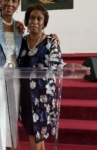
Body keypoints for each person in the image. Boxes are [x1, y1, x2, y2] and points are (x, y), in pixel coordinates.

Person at [0, 1, 60, 150]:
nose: (10, 3)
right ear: (0, 1)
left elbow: (34, 38)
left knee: (12, 120)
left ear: (18, 4)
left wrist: (51, 36)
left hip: (15, 78)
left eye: (14, 0)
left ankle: (12, 147)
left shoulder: (18, 27)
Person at [17, 4, 89, 150]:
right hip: (24, 94)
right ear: (26, 20)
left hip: (42, 96)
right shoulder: (21, 42)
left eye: (39, 18)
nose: (35, 21)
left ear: (44, 23)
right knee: (35, 133)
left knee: (36, 132)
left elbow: (56, 64)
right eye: (32, 17)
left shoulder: (51, 42)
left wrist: (70, 66)